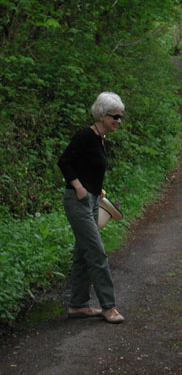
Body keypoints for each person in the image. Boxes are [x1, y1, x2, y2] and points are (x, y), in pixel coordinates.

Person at [58, 91, 125, 324]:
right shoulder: (85, 136)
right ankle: (109, 306)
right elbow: (64, 161)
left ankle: (78, 305)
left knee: (83, 254)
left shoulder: (100, 138)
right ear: (100, 115)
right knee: (97, 253)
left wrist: (98, 193)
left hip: (93, 201)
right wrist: (78, 187)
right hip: (78, 202)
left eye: (120, 116)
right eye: (113, 116)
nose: (118, 120)